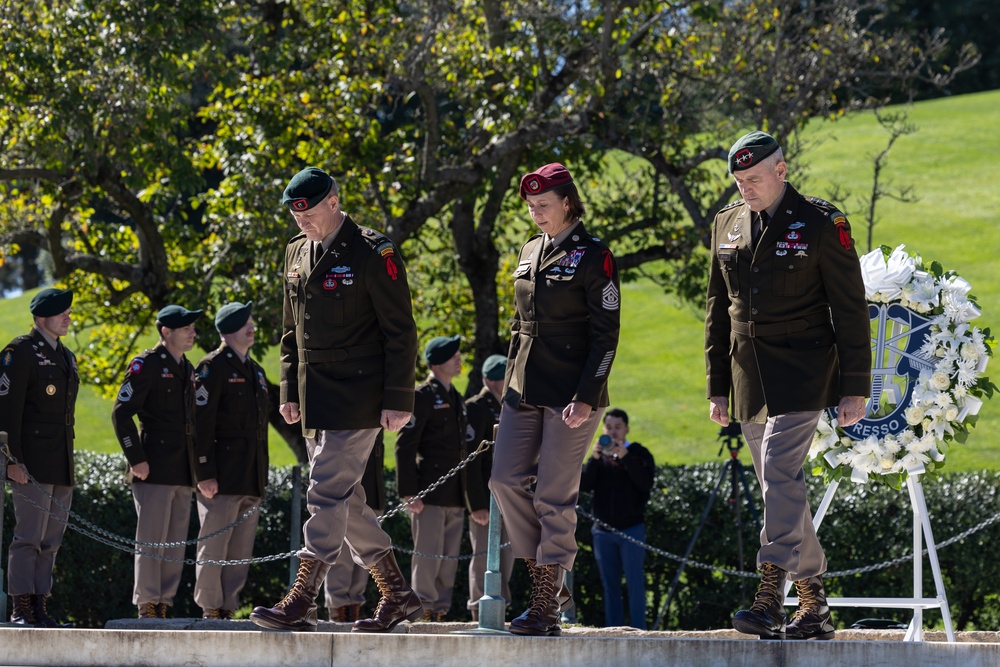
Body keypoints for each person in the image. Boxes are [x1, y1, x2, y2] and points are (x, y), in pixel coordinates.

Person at [705, 131, 871, 641]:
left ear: (781, 169)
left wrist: (855, 387)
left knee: (779, 471)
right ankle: (815, 603)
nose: (746, 188)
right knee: (781, 490)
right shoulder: (727, 224)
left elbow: (849, 307)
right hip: (748, 373)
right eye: (738, 180)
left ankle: (770, 594)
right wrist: (716, 385)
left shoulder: (823, 222)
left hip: (804, 368)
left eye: (753, 178)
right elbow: (716, 310)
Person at [250, 166, 421, 633]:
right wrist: (288, 391)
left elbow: (400, 330)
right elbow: (291, 332)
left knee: (324, 491)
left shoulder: (372, 250)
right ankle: (398, 594)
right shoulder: (295, 253)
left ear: (333, 201)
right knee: (346, 502)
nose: (301, 221)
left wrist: (398, 397)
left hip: (360, 392)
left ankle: (301, 598)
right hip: (313, 395)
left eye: (308, 211)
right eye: (294, 213)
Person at [489, 162, 621, 636]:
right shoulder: (529, 250)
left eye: (544, 205)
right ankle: (547, 578)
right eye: (530, 207)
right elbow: (518, 325)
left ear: (568, 202)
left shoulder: (594, 256)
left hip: (572, 390)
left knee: (553, 495)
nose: (536, 214)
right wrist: (508, 383)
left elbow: (606, 336)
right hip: (524, 387)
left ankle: (546, 600)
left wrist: (588, 396)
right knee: (504, 480)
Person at [112, 303, 202, 619]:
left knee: (175, 545)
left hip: (182, 469)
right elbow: (121, 414)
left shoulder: (187, 368)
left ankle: (164, 602)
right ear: (166, 332)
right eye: (186, 327)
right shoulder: (146, 365)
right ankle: (147, 604)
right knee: (151, 542)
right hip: (153, 467)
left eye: (193, 327)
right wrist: (135, 458)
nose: (193, 332)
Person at [0, 287, 78, 627]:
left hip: (59, 462)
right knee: (28, 537)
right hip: (29, 463)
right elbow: (6, 413)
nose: (67, 317)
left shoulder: (66, 355)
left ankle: (40, 605)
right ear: (40, 317)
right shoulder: (19, 352)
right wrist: (10, 461)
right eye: (61, 311)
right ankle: (21, 608)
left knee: (50, 542)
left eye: (67, 311)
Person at [192, 301, 269, 620]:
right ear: (227, 330)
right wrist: (204, 472)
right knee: (215, 546)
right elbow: (199, 423)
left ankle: (228, 607)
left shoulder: (256, 371)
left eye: (250, 320)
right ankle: (211, 608)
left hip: (249, 475)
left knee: (239, 551)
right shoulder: (212, 367)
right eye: (243, 322)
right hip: (220, 477)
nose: (251, 326)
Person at [394, 335, 469, 622]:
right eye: (453, 355)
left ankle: (439, 611)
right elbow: (405, 445)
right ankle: (423, 611)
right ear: (438, 362)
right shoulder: (423, 396)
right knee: (428, 557)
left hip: (454, 493)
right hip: (429, 491)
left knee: (448, 560)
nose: (458, 359)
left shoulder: (456, 397)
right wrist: (408, 491)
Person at [579, 408, 655, 629]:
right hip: (603, 531)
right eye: (609, 427)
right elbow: (584, 486)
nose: (613, 432)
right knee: (610, 586)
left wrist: (626, 458)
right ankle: (613, 630)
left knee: (635, 584)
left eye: (617, 427)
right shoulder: (600, 458)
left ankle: (640, 631)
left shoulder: (639, 453)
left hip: (632, 530)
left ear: (626, 429)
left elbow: (646, 484)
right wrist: (594, 458)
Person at [463, 353, 514, 621]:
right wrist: (477, 504)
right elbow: (470, 459)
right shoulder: (477, 407)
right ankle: (478, 608)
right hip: (486, 497)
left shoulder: (511, 406)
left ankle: (500, 608)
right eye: (502, 377)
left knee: (506, 556)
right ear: (490, 380)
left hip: (508, 496)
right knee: (484, 556)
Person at [323, 430, 387, 623]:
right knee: (341, 555)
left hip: (371, 488)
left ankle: (354, 608)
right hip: (347, 486)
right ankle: (338, 609)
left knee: (365, 561)